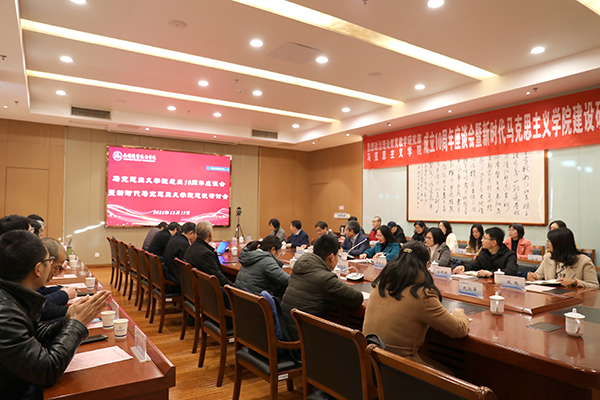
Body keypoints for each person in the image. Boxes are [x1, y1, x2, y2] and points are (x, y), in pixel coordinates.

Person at [0, 230, 111, 399]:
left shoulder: (12, 295)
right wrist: (77, 324)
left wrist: (68, 319)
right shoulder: (5, 314)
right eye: (49, 261)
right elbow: (46, 371)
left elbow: (34, 335)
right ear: (38, 269)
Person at [363, 241, 469, 373]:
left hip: (370, 360)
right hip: (399, 368)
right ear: (427, 265)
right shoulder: (422, 294)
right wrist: (459, 313)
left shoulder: (380, 281)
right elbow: (459, 329)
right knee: (452, 375)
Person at [281, 234, 363, 340]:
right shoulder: (325, 278)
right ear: (331, 257)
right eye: (338, 256)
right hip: (303, 339)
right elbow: (357, 298)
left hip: (286, 330)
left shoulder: (299, 264)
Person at [527, 228, 599, 289]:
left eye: (550, 241)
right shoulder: (548, 257)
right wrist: (533, 276)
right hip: (551, 296)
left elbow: (594, 286)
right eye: (547, 241)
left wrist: (575, 282)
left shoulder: (584, 261)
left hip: (573, 298)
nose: (547, 244)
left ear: (560, 244)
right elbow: (539, 274)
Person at [453, 227, 518, 277]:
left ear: (493, 243)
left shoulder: (509, 255)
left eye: (485, 238)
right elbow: (475, 265)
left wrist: (491, 273)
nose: (482, 240)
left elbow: (511, 271)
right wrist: (464, 267)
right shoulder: (484, 252)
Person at [184, 220, 232, 287]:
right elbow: (219, 279)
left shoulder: (191, 247)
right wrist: (234, 287)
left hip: (193, 287)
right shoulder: (206, 254)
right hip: (207, 290)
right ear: (210, 234)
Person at [162, 222, 197, 286]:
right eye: (196, 234)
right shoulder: (183, 243)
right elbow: (187, 264)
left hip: (168, 272)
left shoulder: (175, 237)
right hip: (174, 276)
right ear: (191, 233)